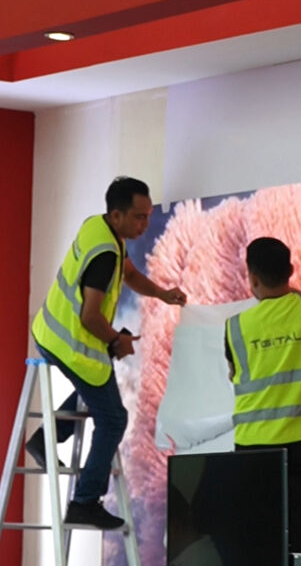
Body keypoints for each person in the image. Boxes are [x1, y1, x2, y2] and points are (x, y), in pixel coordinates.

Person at [29, 176, 187, 529]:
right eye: (139, 217)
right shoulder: (105, 254)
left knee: (96, 395)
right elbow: (89, 316)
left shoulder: (99, 229)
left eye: (147, 216)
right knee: (114, 418)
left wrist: (162, 294)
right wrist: (117, 341)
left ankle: (45, 438)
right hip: (70, 344)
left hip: (50, 331)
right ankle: (85, 501)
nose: (144, 224)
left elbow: (129, 273)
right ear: (117, 215)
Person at [224, 236, 301, 566]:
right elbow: (300, 299)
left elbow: (234, 372)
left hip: (252, 447)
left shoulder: (235, 327)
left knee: (253, 533)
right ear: (291, 271)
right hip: (300, 444)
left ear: (251, 277)